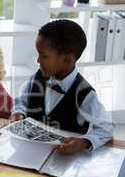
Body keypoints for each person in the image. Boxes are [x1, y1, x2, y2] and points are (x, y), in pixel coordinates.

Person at [10, 19, 113, 154]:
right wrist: (18, 113)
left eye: (44, 56)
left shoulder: (84, 94)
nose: (38, 60)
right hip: (27, 151)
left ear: (67, 60)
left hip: (62, 159)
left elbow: (106, 129)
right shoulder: (37, 77)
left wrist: (84, 142)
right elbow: (22, 101)